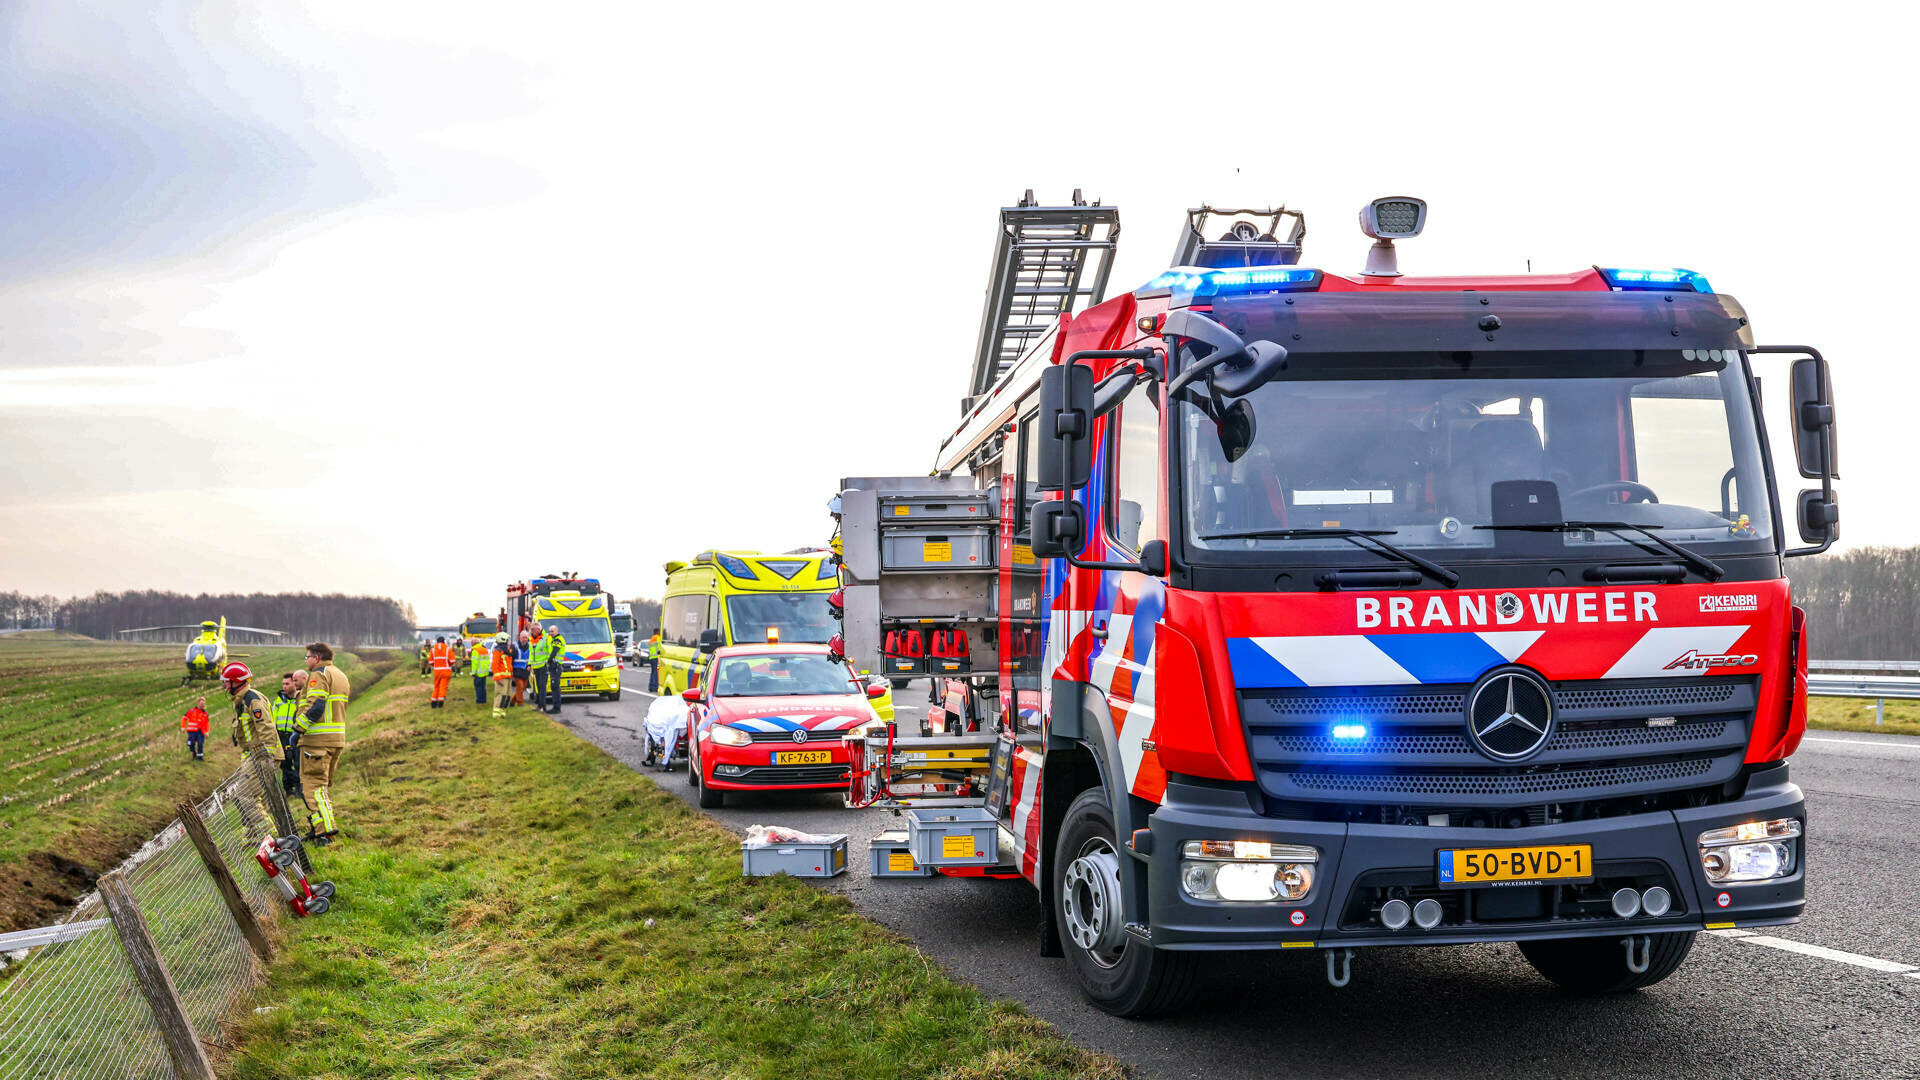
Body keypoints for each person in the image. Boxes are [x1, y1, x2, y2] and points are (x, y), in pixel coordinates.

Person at [294, 642, 351, 844]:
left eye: (308, 657)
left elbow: (316, 706)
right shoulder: (340, 675)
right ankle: (317, 828)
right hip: (336, 740)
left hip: (317, 742)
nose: (307, 660)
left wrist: (298, 729)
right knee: (322, 788)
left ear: (316, 658)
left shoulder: (319, 675)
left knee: (313, 788)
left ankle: (325, 832)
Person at [220, 661, 285, 767]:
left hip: (262, 757)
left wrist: (268, 758)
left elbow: (266, 729)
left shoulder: (253, 701)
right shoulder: (242, 700)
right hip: (253, 755)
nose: (225, 686)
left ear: (236, 682)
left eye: (227, 682)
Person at [273, 671, 305, 797]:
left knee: (297, 763)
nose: (284, 687)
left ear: (294, 684)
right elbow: (273, 717)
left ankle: (299, 789)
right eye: (283, 684)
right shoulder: (279, 700)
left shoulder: (300, 699)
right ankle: (288, 790)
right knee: (284, 764)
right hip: (281, 736)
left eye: (287, 684)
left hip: (295, 736)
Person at [542, 625, 568, 713]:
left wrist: (549, 661)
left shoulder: (558, 640)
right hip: (555, 666)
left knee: (555, 686)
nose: (551, 633)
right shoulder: (554, 639)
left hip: (556, 666)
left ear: (557, 631)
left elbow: (554, 651)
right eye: (550, 631)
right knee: (554, 687)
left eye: (552, 631)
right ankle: (556, 706)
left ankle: (556, 708)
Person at [490, 632, 513, 718]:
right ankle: (496, 713)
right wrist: (497, 677)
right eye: (507, 640)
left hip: (508, 677)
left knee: (507, 695)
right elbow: (494, 665)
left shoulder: (506, 651)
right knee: (500, 694)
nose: (508, 642)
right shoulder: (498, 651)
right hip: (501, 677)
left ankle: (502, 711)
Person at [427, 635, 454, 708]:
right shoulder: (448, 649)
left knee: (436, 686)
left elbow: (430, 662)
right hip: (446, 671)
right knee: (443, 686)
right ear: (444, 641)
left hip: (437, 671)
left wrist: (436, 665)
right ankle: (440, 701)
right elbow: (452, 661)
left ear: (437, 642)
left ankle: (433, 702)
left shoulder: (432, 650)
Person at [468, 636, 492, 705]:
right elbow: (487, 661)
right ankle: (484, 700)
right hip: (484, 671)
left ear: (473, 643)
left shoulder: (475, 650)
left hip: (478, 672)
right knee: (483, 687)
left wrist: (473, 673)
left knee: (478, 687)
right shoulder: (485, 649)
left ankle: (479, 701)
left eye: (471, 642)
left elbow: (474, 663)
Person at [511, 631, 531, 706]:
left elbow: (531, 657)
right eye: (523, 637)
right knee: (520, 686)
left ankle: (512, 701)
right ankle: (520, 702)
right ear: (520, 637)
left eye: (526, 637)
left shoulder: (530, 645)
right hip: (517, 669)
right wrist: (511, 669)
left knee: (523, 688)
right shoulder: (514, 646)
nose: (525, 639)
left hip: (526, 669)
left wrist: (530, 665)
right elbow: (511, 658)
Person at [645, 627, 663, 693]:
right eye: (659, 631)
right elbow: (660, 647)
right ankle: (655, 686)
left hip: (652, 657)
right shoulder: (657, 637)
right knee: (655, 672)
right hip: (656, 657)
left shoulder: (652, 639)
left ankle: (651, 686)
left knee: (653, 672)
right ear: (657, 632)